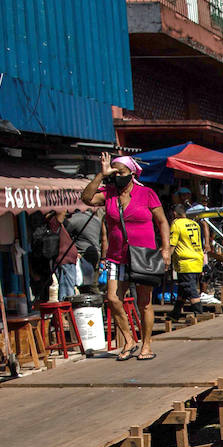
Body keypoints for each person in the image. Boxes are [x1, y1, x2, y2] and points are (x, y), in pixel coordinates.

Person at [81, 154, 169, 361]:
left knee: (144, 303)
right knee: (112, 298)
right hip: (117, 255)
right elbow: (86, 198)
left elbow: (162, 222)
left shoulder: (146, 193)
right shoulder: (109, 193)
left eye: (120, 172)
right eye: (114, 172)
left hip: (144, 254)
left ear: (132, 173)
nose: (117, 176)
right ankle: (129, 339)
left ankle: (146, 345)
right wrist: (100, 176)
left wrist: (165, 250)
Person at [168, 203, 205, 318]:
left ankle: (199, 313)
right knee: (183, 289)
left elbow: (172, 244)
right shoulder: (194, 223)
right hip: (197, 259)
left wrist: (166, 258)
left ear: (174, 214)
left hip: (185, 261)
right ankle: (176, 313)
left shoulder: (176, 224)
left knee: (189, 287)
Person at [64, 207, 104, 287]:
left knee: (85, 285)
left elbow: (64, 231)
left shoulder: (76, 218)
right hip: (96, 252)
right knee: (93, 283)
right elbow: (102, 239)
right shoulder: (97, 219)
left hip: (84, 255)